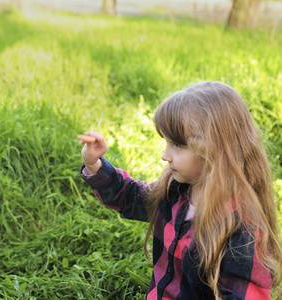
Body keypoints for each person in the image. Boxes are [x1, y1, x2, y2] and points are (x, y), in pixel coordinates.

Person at [79, 81, 282, 299]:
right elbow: (130, 196)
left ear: (215, 150)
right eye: (166, 142)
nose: (165, 156)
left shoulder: (242, 232)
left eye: (177, 145)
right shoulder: (175, 192)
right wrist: (95, 165)